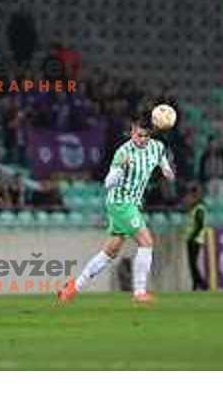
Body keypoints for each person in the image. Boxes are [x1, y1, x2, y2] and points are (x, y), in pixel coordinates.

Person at [57, 113, 175, 304]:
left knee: (110, 252)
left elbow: (162, 159)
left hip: (133, 204)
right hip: (120, 203)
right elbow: (107, 183)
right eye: (138, 135)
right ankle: (139, 292)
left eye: (146, 135)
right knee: (146, 241)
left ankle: (73, 288)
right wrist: (121, 170)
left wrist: (166, 170)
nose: (142, 139)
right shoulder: (123, 153)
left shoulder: (157, 147)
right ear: (132, 133)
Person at [183, 183, 208, 291]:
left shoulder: (199, 209)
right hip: (192, 239)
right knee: (192, 265)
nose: (187, 199)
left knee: (193, 264)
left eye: (190, 196)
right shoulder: (195, 209)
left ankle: (203, 285)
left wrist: (192, 237)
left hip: (195, 240)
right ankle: (195, 286)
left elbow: (200, 225)